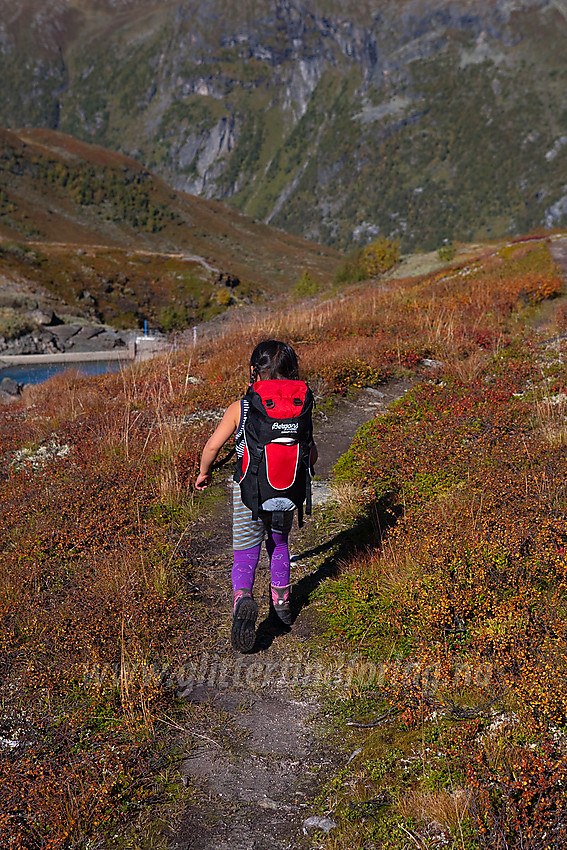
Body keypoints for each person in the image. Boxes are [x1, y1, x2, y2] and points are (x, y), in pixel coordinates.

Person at [195, 339, 317, 652]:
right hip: (287, 490)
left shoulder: (242, 407)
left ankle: (243, 600)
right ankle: (281, 603)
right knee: (279, 544)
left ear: (254, 371)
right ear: (292, 371)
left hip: (247, 493)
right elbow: (311, 454)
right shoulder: (301, 404)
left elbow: (212, 446)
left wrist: (204, 472)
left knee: (246, 551)